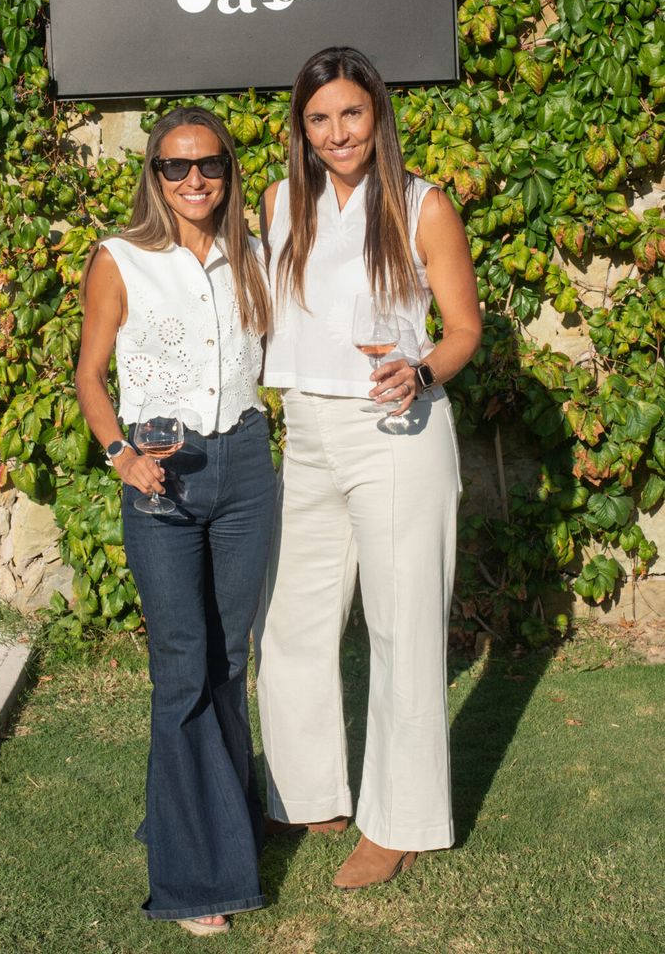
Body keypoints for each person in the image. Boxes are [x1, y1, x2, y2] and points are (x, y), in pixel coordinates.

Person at [255, 47, 482, 889]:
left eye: (351, 114)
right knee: (290, 624)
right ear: (302, 129)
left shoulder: (422, 205)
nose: (337, 132)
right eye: (320, 118)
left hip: (399, 431)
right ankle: (309, 791)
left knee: (403, 628)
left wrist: (421, 370)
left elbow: (462, 328)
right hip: (307, 433)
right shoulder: (281, 204)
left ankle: (401, 821)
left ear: (377, 116)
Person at [76, 106, 275, 936]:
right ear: (153, 174)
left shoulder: (253, 254)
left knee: (229, 664)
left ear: (228, 170)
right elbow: (89, 376)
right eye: (175, 166)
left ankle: (203, 819)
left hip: (246, 469)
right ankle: (199, 878)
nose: (194, 181)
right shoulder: (118, 259)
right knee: (184, 669)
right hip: (160, 475)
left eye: (210, 166)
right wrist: (121, 454)